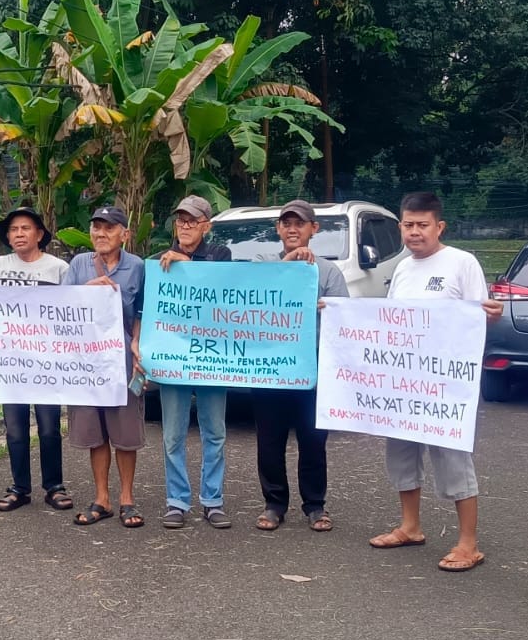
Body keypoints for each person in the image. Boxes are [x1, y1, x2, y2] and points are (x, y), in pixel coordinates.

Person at [368, 192, 503, 571]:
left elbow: (481, 317)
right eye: (408, 225)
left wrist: (490, 315)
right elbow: (391, 322)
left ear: (439, 226)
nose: (414, 232)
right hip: (404, 383)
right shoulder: (402, 268)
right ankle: (410, 526)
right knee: (401, 453)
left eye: (422, 225)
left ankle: (468, 543)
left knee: (453, 458)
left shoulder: (462, 262)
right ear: (400, 227)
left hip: (446, 385)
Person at [0, 207, 75, 512]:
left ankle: (54, 486)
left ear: (39, 234)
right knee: (15, 429)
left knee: (49, 427)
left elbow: (74, 310)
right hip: (11, 362)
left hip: (48, 362)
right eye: (13, 230)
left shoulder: (58, 268)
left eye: (25, 228)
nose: (19, 234)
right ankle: (20, 487)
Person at [252, 200, 348, 532]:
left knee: (312, 441)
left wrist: (328, 310)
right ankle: (274, 504)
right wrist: (289, 265)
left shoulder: (329, 272)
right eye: (286, 223)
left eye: (300, 224)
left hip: (313, 372)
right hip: (270, 370)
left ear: (313, 229)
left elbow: (345, 322)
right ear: (278, 229)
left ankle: (315, 506)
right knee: (269, 442)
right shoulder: (262, 264)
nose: (293, 229)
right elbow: (250, 295)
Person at [153, 195, 234, 529]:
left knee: (214, 432)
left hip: (212, 358)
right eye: (180, 220)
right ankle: (177, 501)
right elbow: (151, 310)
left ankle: (213, 501)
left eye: (192, 220)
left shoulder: (221, 255)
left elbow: (224, 291)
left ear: (207, 226)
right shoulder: (159, 262)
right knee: (173, 435)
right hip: (174, 360)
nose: (185, 226)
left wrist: (184, 264)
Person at [64, 206, 147, 528]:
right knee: (94, 432)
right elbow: (58, 306)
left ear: (124, 234)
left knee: (125, 434)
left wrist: (137, 344)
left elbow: (141, 310)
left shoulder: (137, 266)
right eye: (96, 227)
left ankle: (127, 498)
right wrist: (86, 291)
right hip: (86, 361)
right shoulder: (79, 265)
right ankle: (102, 499)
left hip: (122, 359)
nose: (101, 234)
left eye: (109, 228)